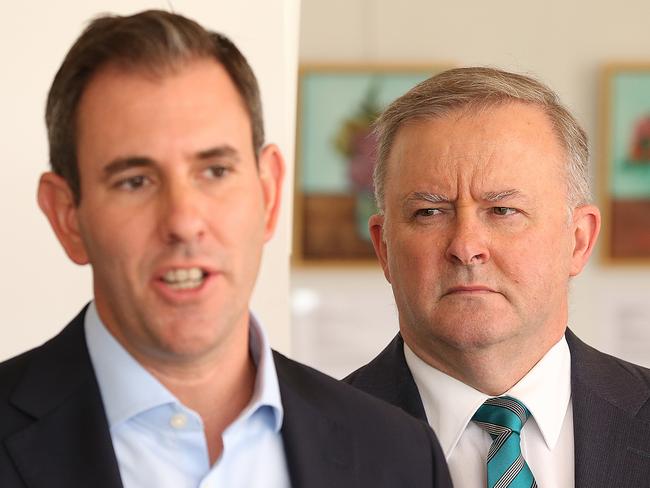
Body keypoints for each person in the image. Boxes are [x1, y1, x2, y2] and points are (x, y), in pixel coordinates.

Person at [0, 10, 452, 488]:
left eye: (214, 171)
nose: (183, 222)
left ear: (269, 194)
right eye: (135, 181)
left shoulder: (400, 457)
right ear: (67, 215)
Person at [346, 67, 650, 487]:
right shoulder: (299, 444)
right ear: (384, 247)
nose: (466, 246)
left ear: (578, 241)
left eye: (503, 210)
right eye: (430, 212)